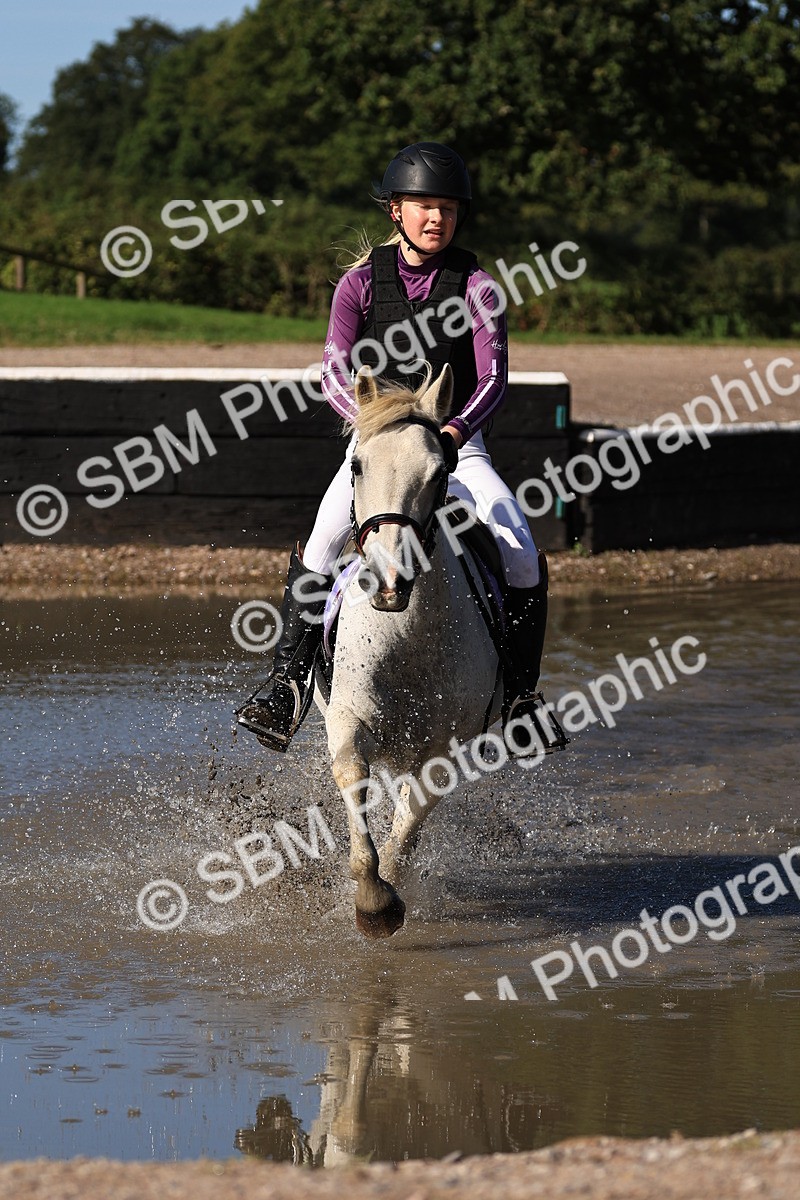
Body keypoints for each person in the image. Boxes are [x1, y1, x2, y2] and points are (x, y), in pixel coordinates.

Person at [238, 141, 556, 754]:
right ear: (396, 211)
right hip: (378, 448)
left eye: (449, 209)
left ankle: (521, 697)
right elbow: (333, 372)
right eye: (425, 206)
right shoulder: (358, 285)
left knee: (519, 552)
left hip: (456, 449)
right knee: (322, 544)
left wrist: (453, 432)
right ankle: (286, 687)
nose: (438, 218)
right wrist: (368, 424)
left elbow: (493, 379)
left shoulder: (480, 288)